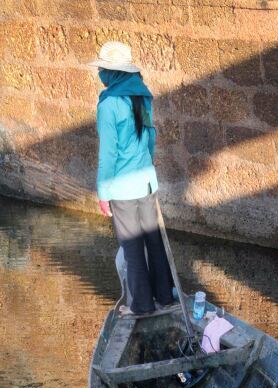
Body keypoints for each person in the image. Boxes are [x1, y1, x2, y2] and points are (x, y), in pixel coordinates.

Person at [87, 41, 174, 316]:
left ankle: (141, 306)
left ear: (112, 73)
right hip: (147, 182)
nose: (100, 72)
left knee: (133, 247)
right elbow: (151, 136)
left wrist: (103, 193)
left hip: (123, 189)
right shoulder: (141, 94)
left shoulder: (109, 104)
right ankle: (165, 296)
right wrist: (148, 162)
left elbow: (108, 154)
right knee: (154, 241)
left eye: (103, 68)